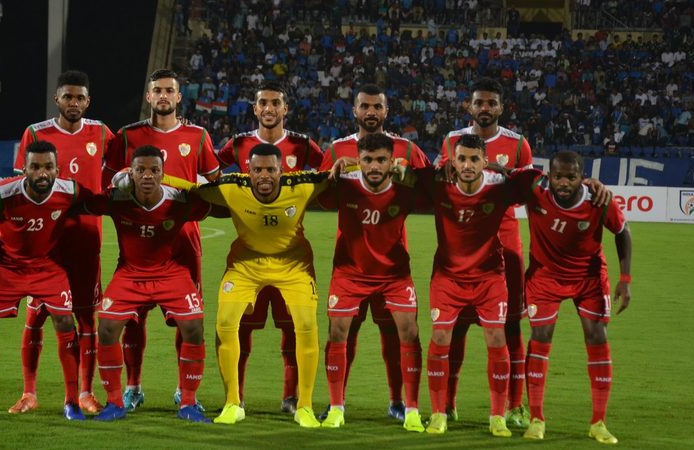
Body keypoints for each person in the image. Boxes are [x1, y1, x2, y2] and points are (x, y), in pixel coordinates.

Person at [153, 143, 342, 428]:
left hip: (293, 266)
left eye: (270, 170)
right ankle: (233, 403)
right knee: (225, 323)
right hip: (245, 265)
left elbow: (336, 175)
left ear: (281, 170)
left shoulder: (303, 184)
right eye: (257, 170)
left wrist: (349, 163)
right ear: (248, 171)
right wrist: (151, 175)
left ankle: (304, 407)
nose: (264, 176)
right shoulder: (231, 186)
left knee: (306, 325)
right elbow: (192, 187)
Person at [102, 68, 220, 411]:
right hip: (140, 241)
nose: (164, 95)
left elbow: (214, 185)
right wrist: (121, 180)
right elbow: (107, 182)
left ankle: (184, 391)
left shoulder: (197, 136)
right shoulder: (127, 136)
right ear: (149, 96)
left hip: (185, 240)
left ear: (179, 97)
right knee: (133, 317)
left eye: (170, 90)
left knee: (188, 318)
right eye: (158, 90)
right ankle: (133, 387)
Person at [317, 83, 431, 421]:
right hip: (351, 262)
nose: (370, 112)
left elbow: (428, 187)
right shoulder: (337, 150)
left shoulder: (407, 149)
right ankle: (336, 403)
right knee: (344, 333)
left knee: (395, 334)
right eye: (364, 106)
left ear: (386, 111)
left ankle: (398, 402)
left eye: (377, 107)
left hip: (392, 262)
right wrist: (337, 175)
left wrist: (406, 174)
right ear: (354, 110)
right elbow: (322, 195)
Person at [420, 134, 543, 437]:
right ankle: (439, 413)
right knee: (441, 337)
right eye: (461, 159)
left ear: (485, 162)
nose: (467, 165)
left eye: (474, 159)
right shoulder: (438, 184)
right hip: (448, 277)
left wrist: (507, 171)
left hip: (489, 277)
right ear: (452, 160)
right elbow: (404, 174)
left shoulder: (499, 186)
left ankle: (497, 416)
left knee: (497, 338)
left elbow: (538, 179)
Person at [84, 145, 215, 422]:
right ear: (130, 173)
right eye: (140, 170)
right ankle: (114, 402)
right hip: (130, 273)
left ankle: (188, 402)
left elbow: (216, 206)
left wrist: (201, 188)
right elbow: (83, 202)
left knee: (194, 325)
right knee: (106, 327)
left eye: (154, 170)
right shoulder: (116, 198)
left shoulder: (179, 200)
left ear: (163, 174)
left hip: (170, 272)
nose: (147, 175)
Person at [217, 81, 324, 414]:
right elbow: (212, 174)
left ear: (285, 108)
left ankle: (292, 397)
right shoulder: (237, 145)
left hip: (290, 252)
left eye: (275, 103)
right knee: (241, 328)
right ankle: (236, 397)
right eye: (263, 102)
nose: (268, 108)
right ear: (254, 108)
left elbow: (323, 176)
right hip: (249, 252)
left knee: (292, 329)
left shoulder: (303, 145)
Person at [10, 70, 112, 415]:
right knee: (36, 316)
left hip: (86, 242)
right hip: (45, 245)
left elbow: (127, 164)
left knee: (86, 320)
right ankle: (29, 393)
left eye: (80, 97)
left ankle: (85, 393)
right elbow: (19, 189)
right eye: (68, 96)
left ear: (88, 101)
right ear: (57, 99)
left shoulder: (101, 133)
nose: (74, 102)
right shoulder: (35, 133)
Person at [0, 141, 89, 421]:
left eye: (48, 167)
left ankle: (72, 402)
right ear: (24, 169)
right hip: (5, 265)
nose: (42, 173)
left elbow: (97, 203)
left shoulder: (70, 190)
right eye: (35, 167)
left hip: (47, 266)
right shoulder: (5, 191)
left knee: (65, 321)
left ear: (57, 169)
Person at [440, 77, 533, 426]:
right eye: (479, 102)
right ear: (470, 105)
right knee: (457, 326)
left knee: (511, 327)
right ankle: (448, 404)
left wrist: (499, 171)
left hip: (506, 244)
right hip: (462, 243)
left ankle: (515, 406)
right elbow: (440, 179)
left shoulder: (518, 144)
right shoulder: (452, 141)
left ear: (501, 108)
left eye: (491, 103)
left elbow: (526, 191)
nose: (485, 108)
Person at [521, 151, 631, 444]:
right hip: (545, 277)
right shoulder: (535, 189)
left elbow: (622, 232)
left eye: (571, 177)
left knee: (597, 338)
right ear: (549, 176)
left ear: (583, 178)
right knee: (540, 337)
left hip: (588, 278)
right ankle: (536, 419)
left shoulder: (598, 200)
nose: (564, 182)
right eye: (558, 176)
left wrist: (625, 279)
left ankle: (598, 422)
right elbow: (501, 173)